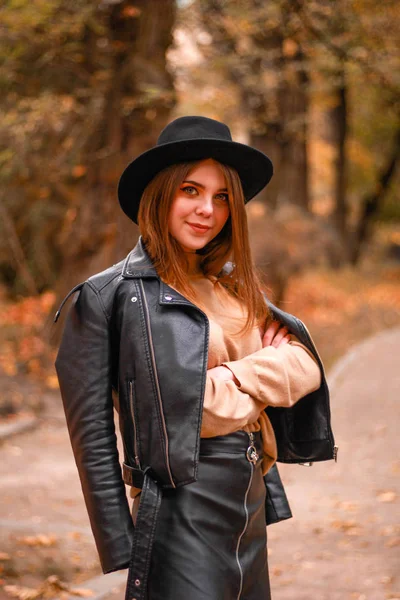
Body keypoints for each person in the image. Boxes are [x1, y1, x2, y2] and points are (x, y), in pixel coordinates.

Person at [54, 115, 337, 600]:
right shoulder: (108, 297)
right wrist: (120, 541)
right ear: (161, 194)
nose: (208, 209)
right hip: (179, 503)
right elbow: (111, 431)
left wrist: (229, 378)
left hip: (247, 500)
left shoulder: (232, 288)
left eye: (222, 196)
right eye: (191, 190)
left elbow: (306, 365)